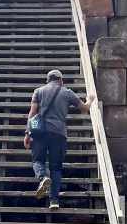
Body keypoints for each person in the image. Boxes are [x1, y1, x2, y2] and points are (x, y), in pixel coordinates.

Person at [24, 69, 95, 209]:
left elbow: (33, 112)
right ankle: (54, 201)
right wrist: (90, 100)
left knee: (37, 160)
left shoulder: (38, 91)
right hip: (59, 133)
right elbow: (85, 108)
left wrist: (27, 133)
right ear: (61, 80)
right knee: (56, 168)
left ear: (48, 80)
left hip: (41, 132)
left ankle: (43, 178)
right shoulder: (67, 92)